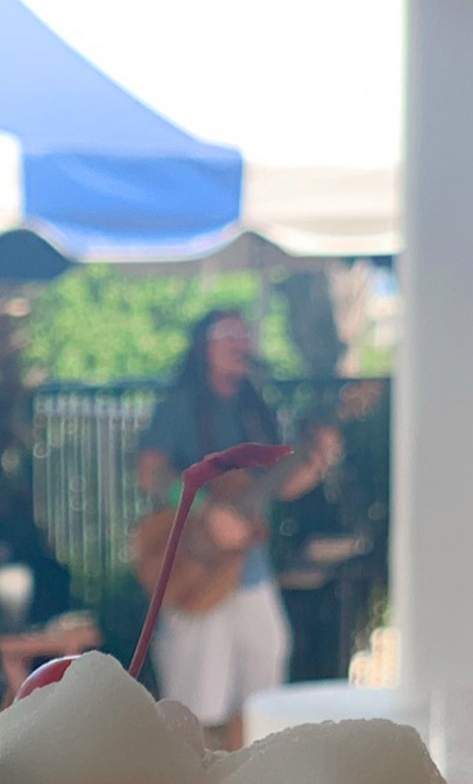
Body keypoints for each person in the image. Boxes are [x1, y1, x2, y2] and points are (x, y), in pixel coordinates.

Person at [133, 310, 342, 740]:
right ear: (202, 347)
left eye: (245, 333)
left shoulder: (255, 409)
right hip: (199, 566)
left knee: (266, 668)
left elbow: (274, 487)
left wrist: (317, 460)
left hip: (250, 566)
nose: (240, 342)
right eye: (227, 334)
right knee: (199, 695)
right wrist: (205, 509)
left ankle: (249, 776)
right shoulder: (181, 404)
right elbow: (149, 471)